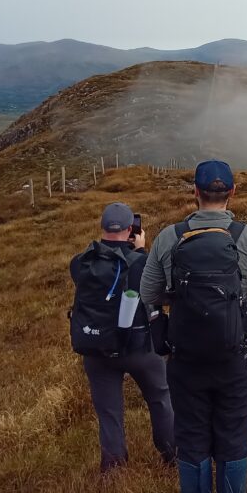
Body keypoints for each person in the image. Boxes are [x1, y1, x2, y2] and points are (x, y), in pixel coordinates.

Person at [141, 159, 247, 493]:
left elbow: (148, 293)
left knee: (191, 438)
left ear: (195, 192)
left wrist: (179, 305)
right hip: (236, 359)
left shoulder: (169, 237)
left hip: (185, 360)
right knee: (234, 436)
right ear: (232, 193)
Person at [69, 202, 175, 473]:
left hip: (96, 349)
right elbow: (158, 289)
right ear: (131, 229)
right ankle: (172, 454)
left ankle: (113, 469)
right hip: (139, 348)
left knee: (109, 412)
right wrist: (140, 250)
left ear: (102, 228)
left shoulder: (80, 263)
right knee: (160, 398)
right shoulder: (142, 262)